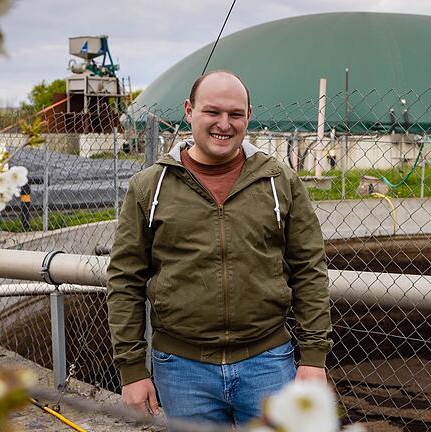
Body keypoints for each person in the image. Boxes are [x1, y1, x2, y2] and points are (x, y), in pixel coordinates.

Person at [107, 70, 332, 426]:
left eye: (235, 114)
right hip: (181, 369)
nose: (224, 124)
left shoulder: (279, 182)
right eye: (212, 112)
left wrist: (313, 358)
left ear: (248, 115)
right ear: (189, 111)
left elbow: (309, 270)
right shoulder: (148, 188)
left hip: (268, 362)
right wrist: (132, 369)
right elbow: (124, 280)